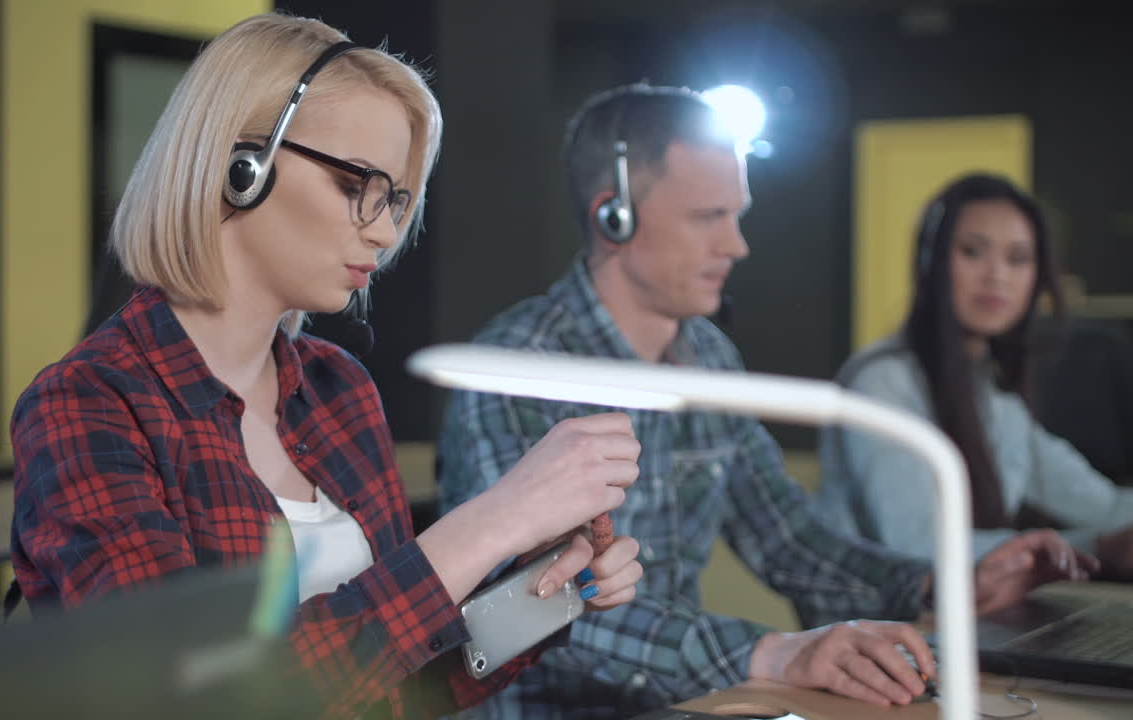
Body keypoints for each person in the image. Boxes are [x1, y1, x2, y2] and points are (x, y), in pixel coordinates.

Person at [8, 14, 643, 719]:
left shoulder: (338, 389)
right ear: (240, 166)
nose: (384, 230)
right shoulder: (85, 403)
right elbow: (190, 699)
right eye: (357, 185)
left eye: (397, 199)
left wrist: (546, 589)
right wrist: (490, 523)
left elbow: (402, 681)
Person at [437, 84, 1094, 719]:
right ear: (614, 215)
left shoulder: (711, 359)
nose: (737, 245)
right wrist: (772, 655)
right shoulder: (517, 369)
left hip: (690, 706)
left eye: (737, 215)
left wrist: (939, 585)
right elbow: (525, 612)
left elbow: (790, 539)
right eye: (708, 217)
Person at [818, 172, 1133, 574]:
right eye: (972, 252)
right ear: (929, 259)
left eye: (1018, 259)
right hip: (887, 627)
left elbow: (1098, 502)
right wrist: (1097, 548)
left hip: (966, 614)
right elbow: (918, 544)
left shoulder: (991, 386)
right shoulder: (883, 382)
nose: (997, 276)